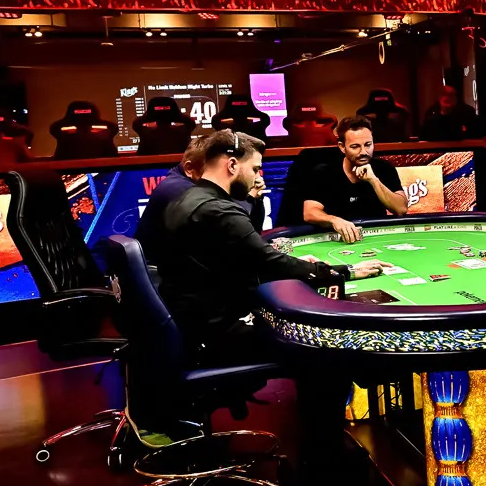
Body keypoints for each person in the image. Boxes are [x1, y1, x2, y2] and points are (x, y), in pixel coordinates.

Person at [156, 131, 380, 366]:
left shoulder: (185, 199)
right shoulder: (220, 211)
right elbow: (270, 263)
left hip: (191, 323)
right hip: (218, 335)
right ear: (232, 165)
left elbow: (244, 256)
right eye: (255, 169)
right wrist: (343, 271)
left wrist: (285, 263)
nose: (257, 178)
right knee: (323, 344)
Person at [136, 135, 265, 262]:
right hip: (157, 270)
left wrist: (256, 199)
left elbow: (250, 233)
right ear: (189, 169)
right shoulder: (178, 190)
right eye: (211, 169)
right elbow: (233, 228)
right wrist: (249, 198)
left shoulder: (202, 189)